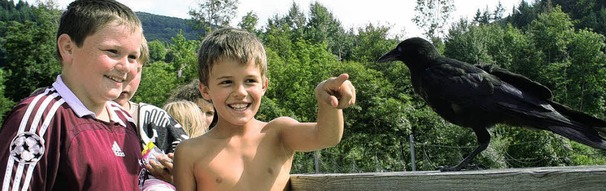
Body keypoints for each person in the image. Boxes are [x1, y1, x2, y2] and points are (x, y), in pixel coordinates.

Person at [173, 27, 356, 190]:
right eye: (227, 82)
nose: (240, 92)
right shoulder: (189, 153)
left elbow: (327, 137)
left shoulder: (278, 133)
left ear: (264, 85)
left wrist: (327, 100)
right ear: (205, 90)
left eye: (250, 81)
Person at [0, 0, 144, 190]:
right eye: (112, 51)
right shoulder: (40, 118)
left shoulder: (126, 121)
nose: (126, 66)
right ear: (68, 47)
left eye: (132, 57)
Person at [114, 37, 188, 191]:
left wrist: (179, 179)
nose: (124, 78)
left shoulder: (156, 120)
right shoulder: (69, 117)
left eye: (136, 70)